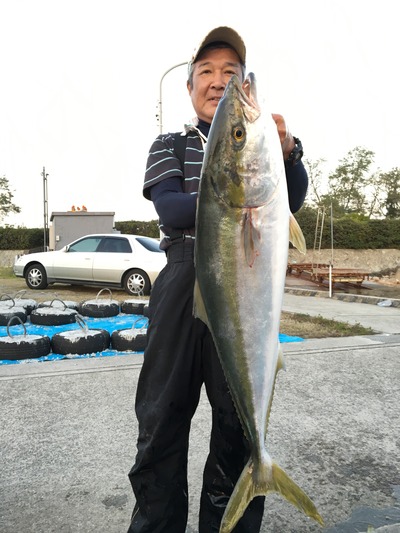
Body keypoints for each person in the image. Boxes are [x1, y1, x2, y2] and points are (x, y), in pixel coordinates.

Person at [127, 26, 308, 533]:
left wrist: (286, 151)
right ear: (190, 88)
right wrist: (234, 189)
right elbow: (169, 206)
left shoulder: (265, 141)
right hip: (183, 279)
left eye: (231, 72)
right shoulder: (169, 143)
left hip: (243, 280)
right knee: (161, 421)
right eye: (206, 71)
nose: (220, 81)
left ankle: (238, 508)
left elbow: (291, 195)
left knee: (236, 429)